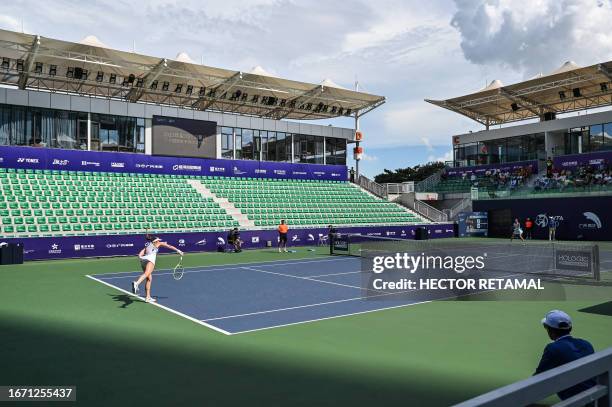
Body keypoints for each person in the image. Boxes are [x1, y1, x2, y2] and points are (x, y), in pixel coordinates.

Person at [534, 310, 595, 401]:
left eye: (545, 327)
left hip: (576, 401)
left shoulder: (553, 348)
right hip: (595, 396)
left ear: (550, 331)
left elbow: (539, 376)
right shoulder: (586, 344)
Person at [132, 234, 183, 303]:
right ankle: (137, 283)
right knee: (147, 273)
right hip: (150, 259)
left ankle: (148, 297)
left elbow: (140, 254)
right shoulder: (158, 243)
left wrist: (142, 258)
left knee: (149, 278)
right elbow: (169, 246)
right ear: (155, 241)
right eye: (158, 240)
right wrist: (178, 251)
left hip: (143, 260)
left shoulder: (147, 246)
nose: (159, 241)